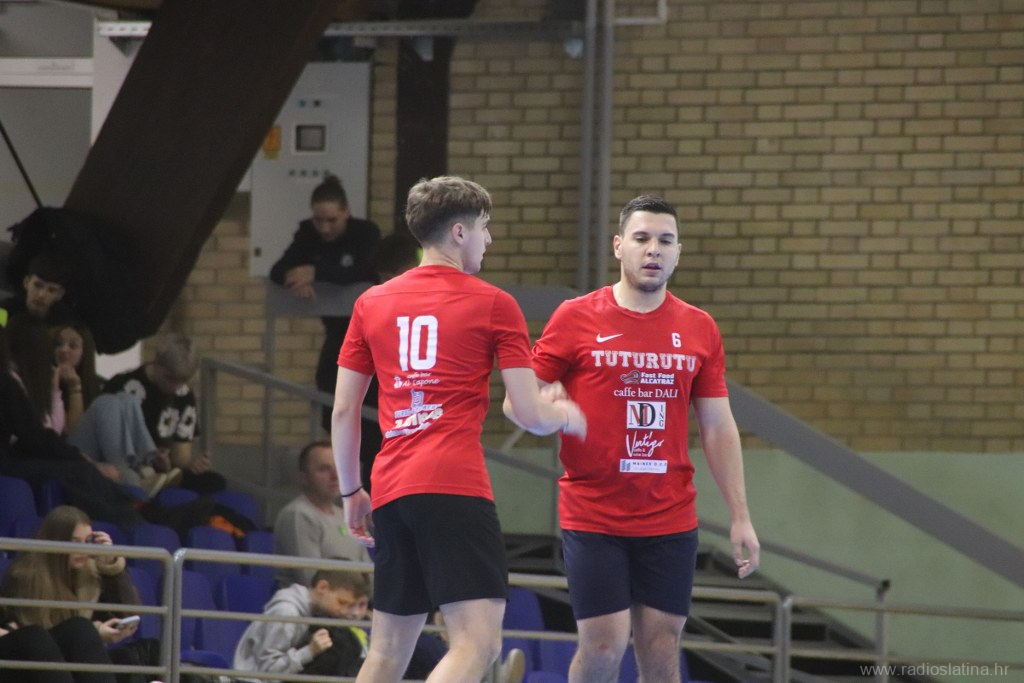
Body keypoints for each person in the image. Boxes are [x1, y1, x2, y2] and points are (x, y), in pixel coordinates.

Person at [331, 175, 586, 683]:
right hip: (453, 483)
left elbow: (343, 411)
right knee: (478, 643)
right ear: (459, 232)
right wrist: (566, 415)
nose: (489, 239)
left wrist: (350, 490)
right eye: (484, 227)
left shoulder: (371, 302)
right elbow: (527, 412)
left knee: (386, 652)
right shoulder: (494, 303)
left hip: (391, 487)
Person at [509, 195, 761, 683]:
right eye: (642, 238)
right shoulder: (575, 316)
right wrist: (550, 414)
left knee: (663, 649)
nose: (653, 249)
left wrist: (741, 516)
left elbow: (717, 426)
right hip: (594, 512)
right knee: (604, 648)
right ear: (619, 246)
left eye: (665, 240)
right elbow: (516, 404)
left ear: (678, 252)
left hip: (669, 513)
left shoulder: (699, 328)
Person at [269, 174, 381, 432]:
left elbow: (368, 271)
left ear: (346, 212)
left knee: (368, 398)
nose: (325, 228)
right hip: (337, 331)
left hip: (369, 333)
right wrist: (294, 279)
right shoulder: (308, 234)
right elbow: (279, 269)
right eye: (318, 220)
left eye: (332, 220)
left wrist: (316, 273)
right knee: (329, 386)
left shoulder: (365, 233)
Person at [0, 505, 141, 683]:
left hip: (68, 660)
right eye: (75, 542)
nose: (83, 550)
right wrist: (96, 632)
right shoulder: (27, 576)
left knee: (148, 648)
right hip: (30, 661)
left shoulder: (89, 575)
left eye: (87, 542)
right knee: (78, 629)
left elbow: (127, 613)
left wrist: (110, 565)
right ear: (56, 541)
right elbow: (37, 638)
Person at [101, 332, 225, 495]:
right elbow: (107, 442)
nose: (175, 387)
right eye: (170, 378)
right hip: (124, 466)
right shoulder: (122, 386)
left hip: (162, 471)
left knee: (215, 482)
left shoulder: (184, 395)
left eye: (182, 381)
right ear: (157, 363)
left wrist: (191, 464)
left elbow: (180, 457)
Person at [232, 568, 371, 681]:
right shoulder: (286, 612)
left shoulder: (318, 612)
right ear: (322, 587)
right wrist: (309, 651)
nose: (346, 612)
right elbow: (267, 671)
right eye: (342, 602)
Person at [273, 440, 371, 588]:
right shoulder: (298, 514)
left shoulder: (348, 517)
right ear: (303, 478)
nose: (335, 476)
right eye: (324, 469)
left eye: (338, 468)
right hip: (310, 603)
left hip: (355, 601)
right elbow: (311, 580)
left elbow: (370, 574)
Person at [0, 251, 75, 327]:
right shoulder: (4, 310)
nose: (41, 295)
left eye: (51, 290)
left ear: (60, 294)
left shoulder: (66, 322)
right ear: (26, 282)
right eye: (37, 285)